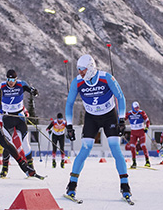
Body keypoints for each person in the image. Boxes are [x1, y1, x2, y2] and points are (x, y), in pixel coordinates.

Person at [63, 54, 131, 202]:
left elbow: (121, 97)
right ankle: (72, 185)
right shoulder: (77, 82)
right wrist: (69, 125)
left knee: (114, 147)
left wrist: (121, 119)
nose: (80, 72)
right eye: (78, 69)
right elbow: (69, 103)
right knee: (85, 148)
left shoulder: (106, 78)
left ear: (91, 68)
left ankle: (125, 186)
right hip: (91, 117)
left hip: (109, 117)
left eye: (83, 69)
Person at [0, 69, 38, 178]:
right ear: (6, 79)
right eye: (9, 79)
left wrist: (34, 91)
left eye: (13, 79)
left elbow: (30, 89)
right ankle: (4, 168)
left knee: (25, 143)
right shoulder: (1, 86)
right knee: (7, 144)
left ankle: (31, 167)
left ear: (16, 79)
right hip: (7, 117)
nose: (11, 82)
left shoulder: (21, 84)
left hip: (19, 117)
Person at [125, 101, 151, 168]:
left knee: (142, 145)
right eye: (136, 108)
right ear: (133, 108)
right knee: (132, 147)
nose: (137, 109)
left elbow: (147, 121)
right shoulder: (129, 113)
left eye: (138, 108)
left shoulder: (141, 112)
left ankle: (147, 161)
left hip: (141, 131)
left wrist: (147, 128)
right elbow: (122, 119)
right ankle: (134, 162)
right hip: (133, 132)